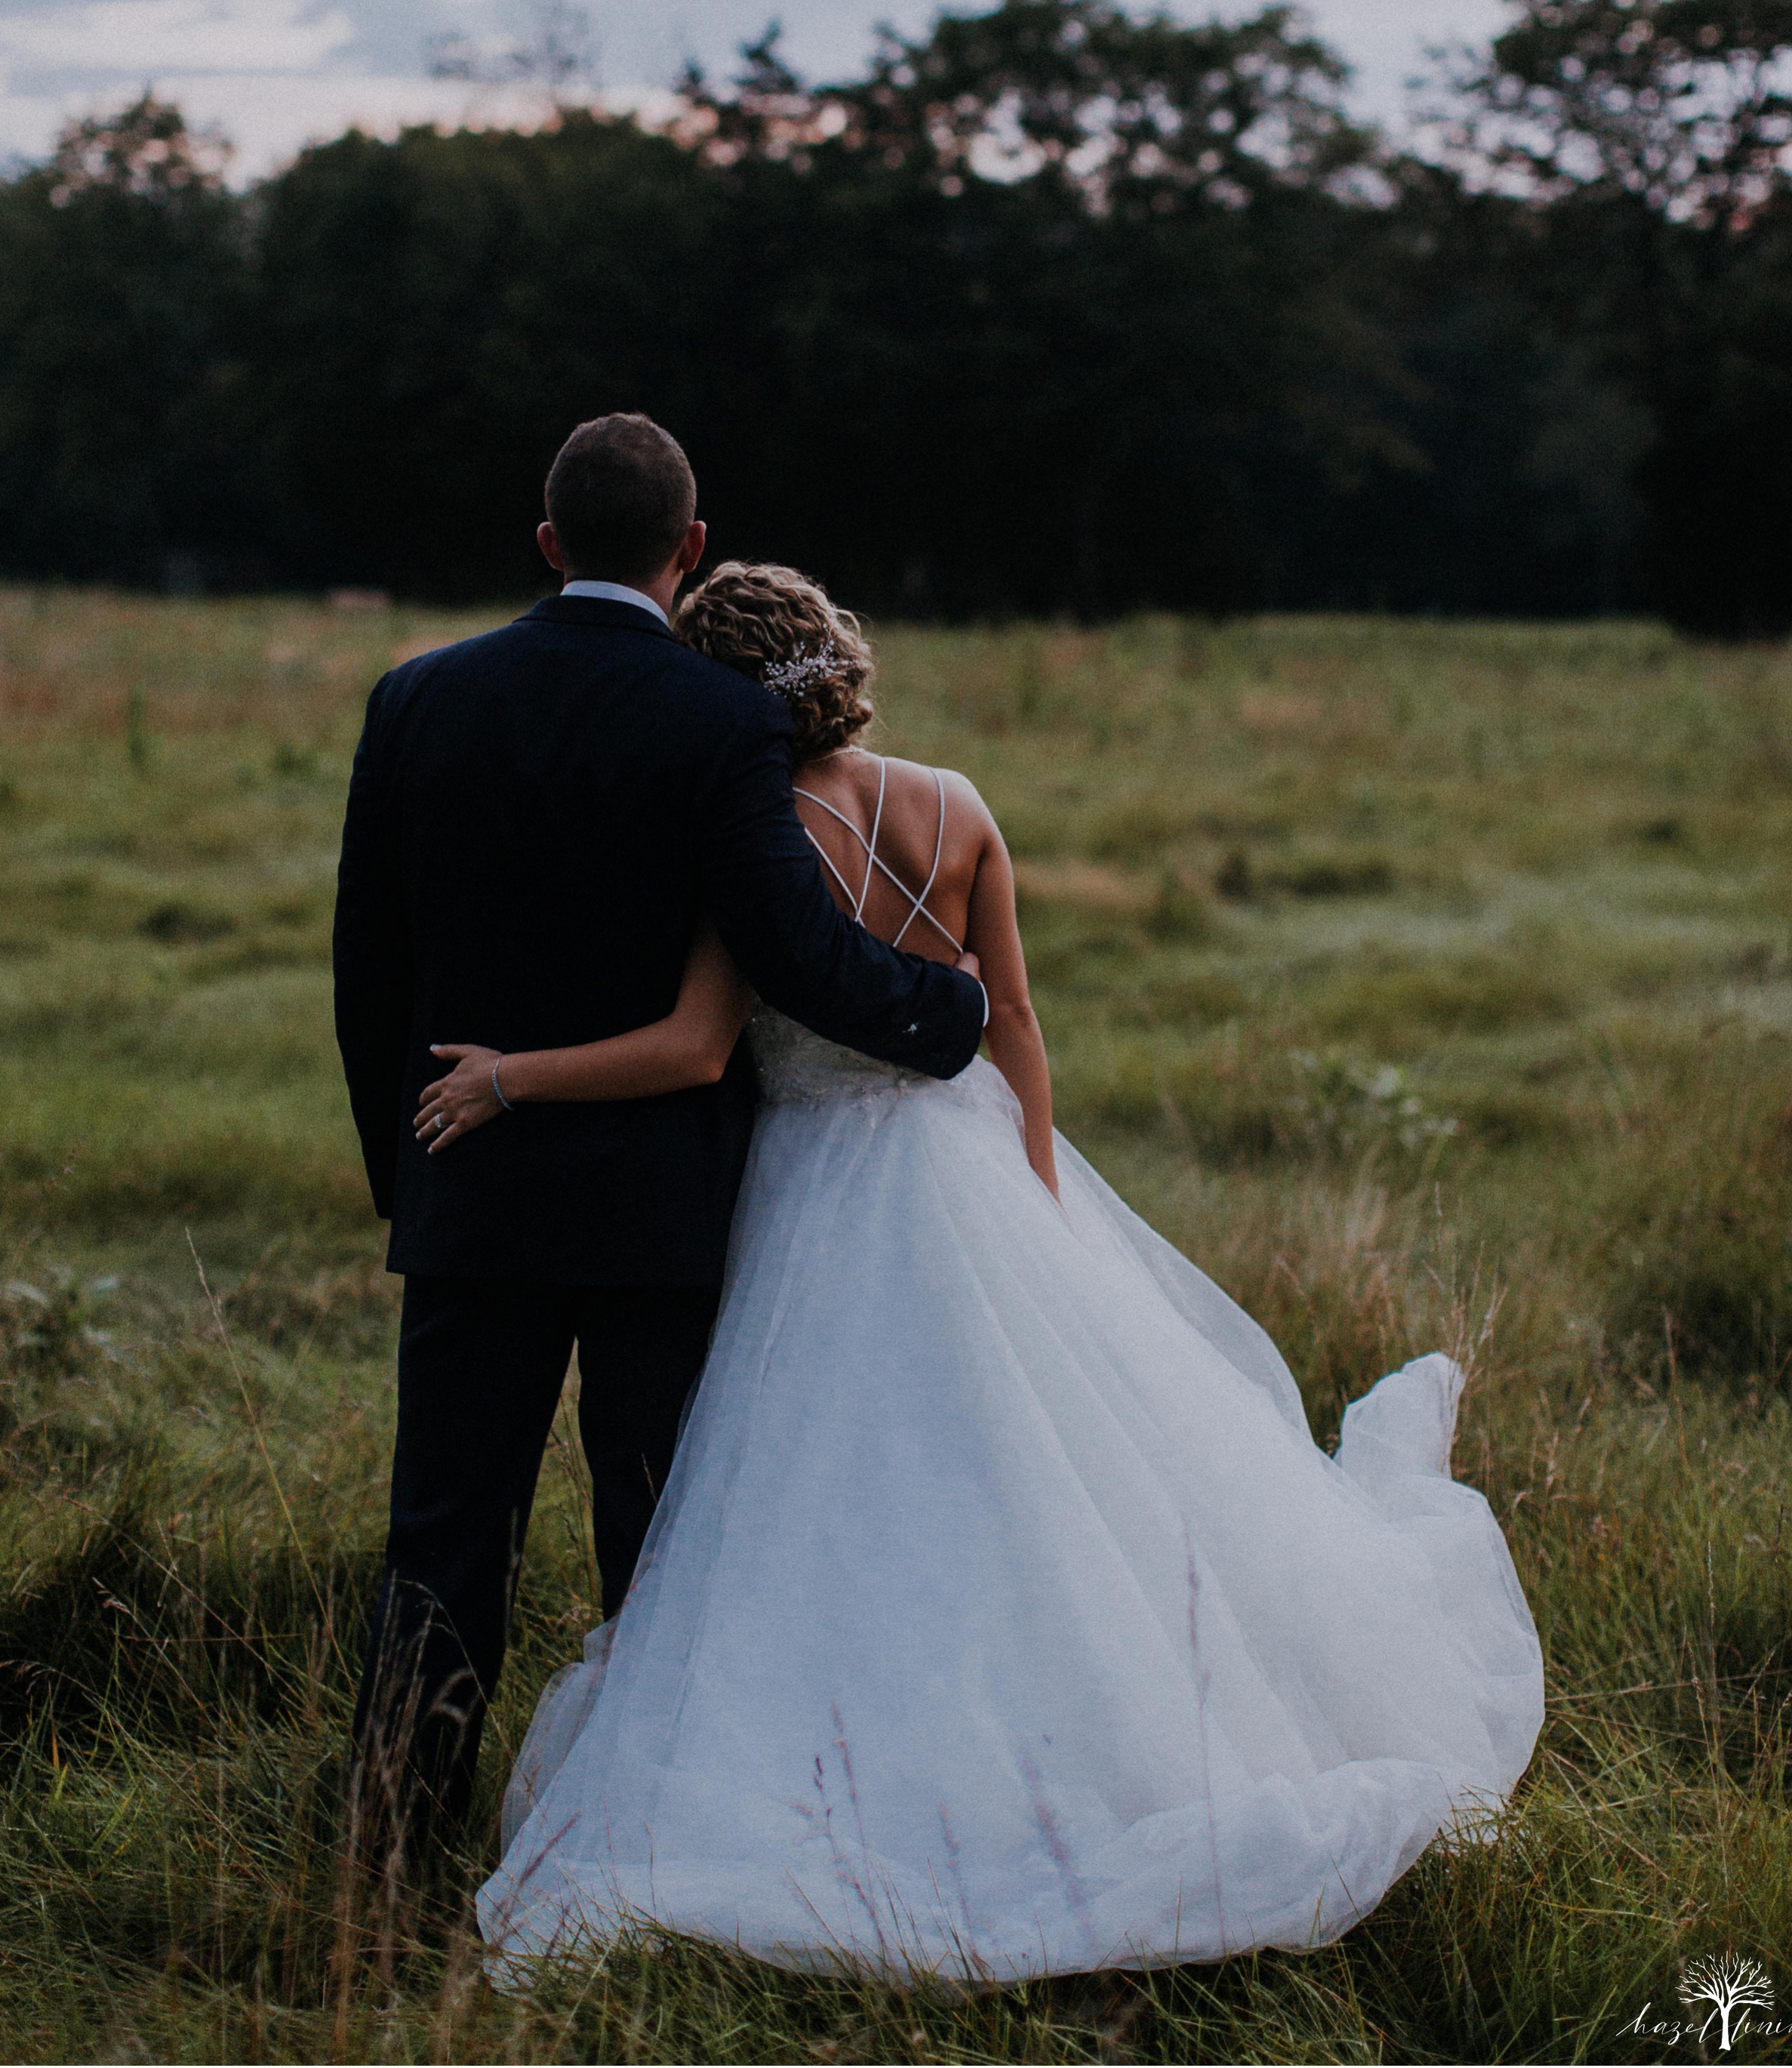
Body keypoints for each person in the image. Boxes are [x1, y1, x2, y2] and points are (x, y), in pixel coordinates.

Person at [424, 559, 1546, 1984]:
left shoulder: (746, 831)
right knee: (1039, 1475)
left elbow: (697, 1047)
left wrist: (511, 1076)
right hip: (969, 1166)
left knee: (840, 1498)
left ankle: (886, 1758)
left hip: (814, 1194)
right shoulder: (956, 802)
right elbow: (1015, 1018)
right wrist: (1037, 1187)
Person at [331, 417, 987, 1871]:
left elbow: (365, 975)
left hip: (473, 1195)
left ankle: (382, 1859)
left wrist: (416, 1184)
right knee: (660, 1547)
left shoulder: (414, 698)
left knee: (441, 1545)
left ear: (548, 539)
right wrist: (955, 1012)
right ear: (688, 551)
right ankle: (641, 1854)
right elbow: (797, 952)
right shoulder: (723, 721)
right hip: (660, 1218)